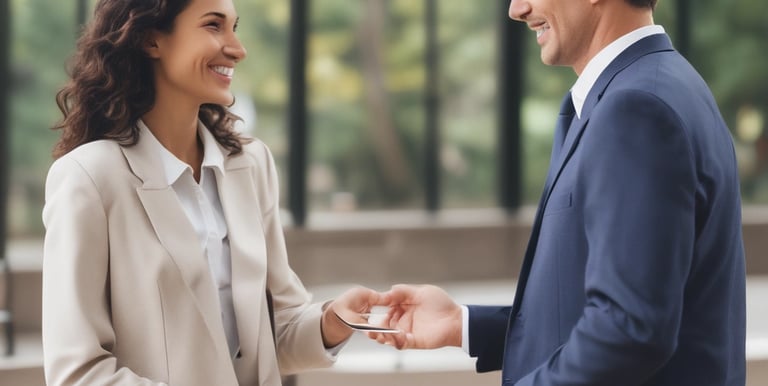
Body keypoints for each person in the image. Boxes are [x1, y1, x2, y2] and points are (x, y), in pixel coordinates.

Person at [371, 0, 747, 385]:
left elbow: (628, 331)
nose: (517, 9)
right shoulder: (662, 86)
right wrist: (461, 324)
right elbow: (621, 310)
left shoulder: (634, 108)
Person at [41, 0, 378, 385]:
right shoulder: (89, 177)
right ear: (151, 39)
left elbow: (276, 332)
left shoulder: (251, 164)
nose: (238, 48)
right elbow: (77, 371)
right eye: (214, 26)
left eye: (235, 27)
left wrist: (332, 322)